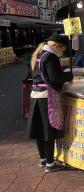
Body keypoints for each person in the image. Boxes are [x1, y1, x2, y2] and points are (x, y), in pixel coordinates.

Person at [26, 34, 73, 173]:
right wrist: (69, 76)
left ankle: (43, 159)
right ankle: (50, 163)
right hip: (47, 98)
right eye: (63, 48)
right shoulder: (51, 56)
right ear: (58, 46)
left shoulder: (39, 53)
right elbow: (55, 78)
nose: (63, 51)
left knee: (40, 130)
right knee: (48, 130)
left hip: (36, 96)